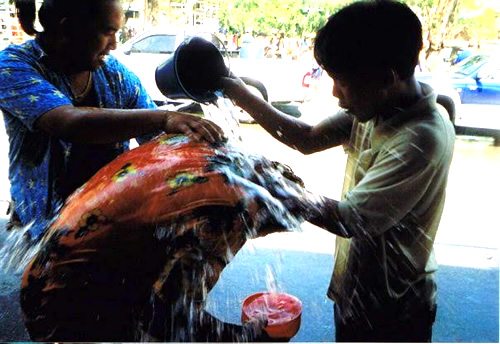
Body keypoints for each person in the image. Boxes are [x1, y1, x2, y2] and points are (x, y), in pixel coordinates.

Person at [222, 0, 455, 342]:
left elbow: (351, 219)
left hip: (395, 309)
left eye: (342, 83)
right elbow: (304, 137)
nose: (335, 93)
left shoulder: (421, 138)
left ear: (387, 78)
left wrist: (271, 186)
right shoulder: (378, 108)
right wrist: (235, 89)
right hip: (358, 291)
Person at [0, 0, 224, 241]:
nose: (115, 44)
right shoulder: (14, 66)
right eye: (108, 32)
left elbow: (159, 141)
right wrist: (165, 117)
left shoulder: (114, 73)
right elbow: (68, 123)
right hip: (41, 235)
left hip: (105, 227)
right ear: (67, 28)